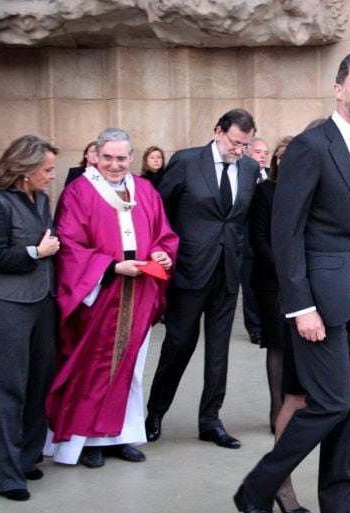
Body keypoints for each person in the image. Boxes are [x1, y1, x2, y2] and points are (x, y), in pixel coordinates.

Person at [234, 52, 350, 513]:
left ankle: (338, 501)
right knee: (329, 402)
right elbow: (285, 232)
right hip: (319, 303)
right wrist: (299, 306)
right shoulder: (310, 146)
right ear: (339, 89)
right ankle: (257, 488)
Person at [44, 128, 178, 469]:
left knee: (130, 368)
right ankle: (87, 440)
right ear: (94, 156)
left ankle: (121, 435)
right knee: (94, 367)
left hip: (141, 291)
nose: (114, 165)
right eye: (107, 158)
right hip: (102, 292)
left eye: (121, 158)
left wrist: (162, 254)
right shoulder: (79, 192)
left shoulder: (145, 190)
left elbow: (164, 233)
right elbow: (70, 246)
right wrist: (113, 267)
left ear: (131, 158)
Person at [145, 108, 260, 448]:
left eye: (245, 145)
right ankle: (154, 413)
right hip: (190, 269)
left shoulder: (250, 168)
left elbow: (245, 220)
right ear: (218, 131)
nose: (238, 151)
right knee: (178, 344)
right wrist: (159, 251)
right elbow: (159, 211)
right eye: (235, 143)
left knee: (218, 350)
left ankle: (210, 420)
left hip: (228, 273)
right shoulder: (185, 161)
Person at [0, 135, 61, 501]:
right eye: (47, 169)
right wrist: (35, 251)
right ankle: (5, 477)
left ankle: (26, 457)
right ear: (24, 171)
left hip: (42, 303)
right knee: (5, 391)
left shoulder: (39, 199)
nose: (52, 176)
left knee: (37, 384)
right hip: (4, 306)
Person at [248, 136, 293, 432]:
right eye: (279, 157)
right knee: (277, 344)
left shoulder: (307, 192)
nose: (283, 161)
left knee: (298, 346)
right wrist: (283, 270)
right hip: (271, 281)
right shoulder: (265, 192)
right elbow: (258, 238)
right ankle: (277, 409)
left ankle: (295, 404)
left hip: (302, 279)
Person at [241, 136, 269, 346]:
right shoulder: (243, 176)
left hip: (266, 241)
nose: (263, 156)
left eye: (265, 153)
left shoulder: (270, 177)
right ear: (247, 153)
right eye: (258, 152)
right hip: (246, 240)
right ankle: (255, 328)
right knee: (249, 287)